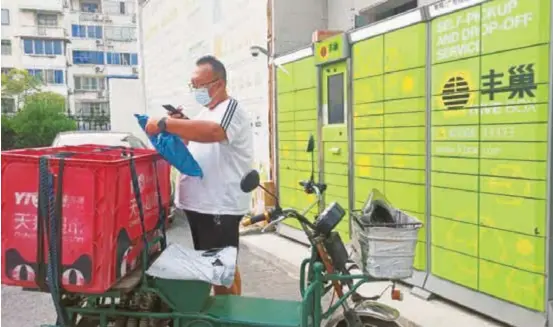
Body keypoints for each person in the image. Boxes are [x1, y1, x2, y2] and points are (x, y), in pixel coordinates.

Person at [145, 55, 253, 296]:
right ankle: (230, 311)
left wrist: (165, 123)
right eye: (192, 86)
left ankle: (228, 316)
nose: (196, 91)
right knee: (218, 267)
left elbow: (214, 132)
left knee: (220, 270)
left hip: (219, 206)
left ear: (219, 84)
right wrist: (179, 126)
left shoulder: (230, 109)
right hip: (201, 205)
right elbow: (193, 141)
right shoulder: (205, 112)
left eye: (200, 86)